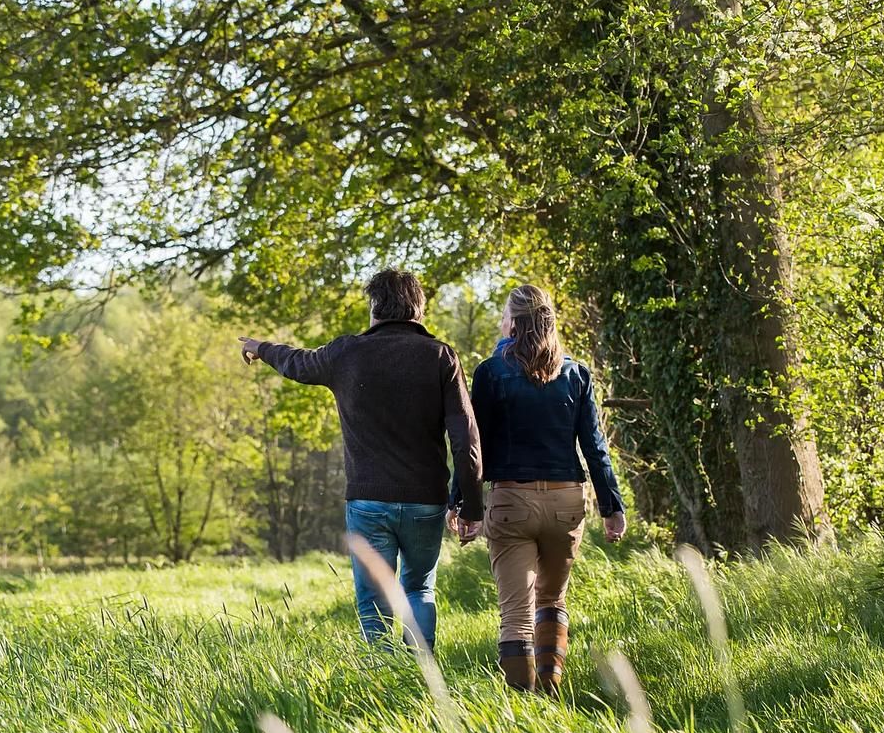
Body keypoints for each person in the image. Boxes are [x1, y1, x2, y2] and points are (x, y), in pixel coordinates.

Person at [239, 270, 484, 650]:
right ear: (418, 309)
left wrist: (261, 347)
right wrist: (470, 504)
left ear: (375, 308)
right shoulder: (440, 356)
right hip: (425, 501)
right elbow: (465, 437)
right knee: (419, 589)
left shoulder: (347, 353)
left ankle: (384, 676)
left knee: (374, 601)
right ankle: (422, 670)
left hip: (368, 501)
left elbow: (297, 363)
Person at [449, 285, 626, 694]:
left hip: (512, 502)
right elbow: (595, 447)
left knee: (516, 614)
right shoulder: (576, 373)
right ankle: (551, 690)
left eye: (504, 315)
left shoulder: (490, 373)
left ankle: (526, 707)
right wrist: (611, 506)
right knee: (552, 600)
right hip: (566, 503)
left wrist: (462, 503)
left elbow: (474, 446)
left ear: (514, 323)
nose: (500, 322)